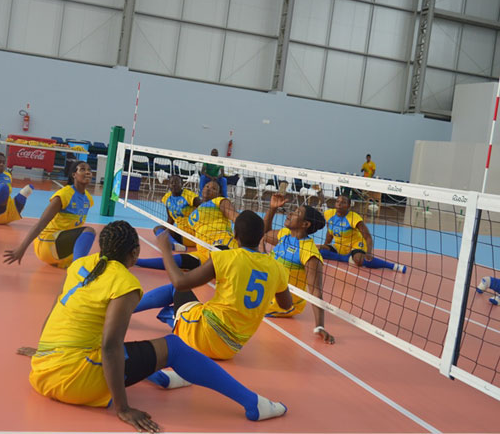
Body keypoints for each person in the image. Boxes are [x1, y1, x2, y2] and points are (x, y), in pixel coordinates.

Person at [17, 220, 287, 433]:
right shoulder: (125, 284)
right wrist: (123, 408)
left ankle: (161, 376)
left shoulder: (80, 265)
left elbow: (57, 309)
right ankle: (254, 404)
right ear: (134, 253)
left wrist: (43, 350)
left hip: (43, 371)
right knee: (173, 347)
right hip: (73, 381)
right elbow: (111, 347)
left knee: (112, 340)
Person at [133, 211, 294, 361]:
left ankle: (130, 310)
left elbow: (180, 283)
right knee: (189, 306)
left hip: (204, 335)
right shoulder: (277, 267)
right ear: (260, 237)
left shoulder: (227, 257)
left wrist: (166, 251)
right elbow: (286, 305)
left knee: (175, 290)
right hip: (231, 349)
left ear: (235, 234)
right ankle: (172, 315)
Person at [263, 195, 335, 344]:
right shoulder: (285, 235)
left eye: (296, 213)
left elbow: (316, 291)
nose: (290, 213)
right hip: (271, 291)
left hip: (287, 304)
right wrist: (272, 209)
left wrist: (320, 326)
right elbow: (264, 234)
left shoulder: (310, 253)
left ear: (305, 224)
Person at [4, 161, 95, 268]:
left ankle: (73, 264)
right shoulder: (64, 195)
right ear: (74, 175)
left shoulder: (88, 199)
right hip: (47, 243)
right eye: (83, 169)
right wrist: (22, 248)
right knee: (89, 231)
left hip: (60, 245)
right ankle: (77, 270)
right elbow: (41, 224)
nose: (88, 172)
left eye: (89, 170)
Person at [319, 194, 407, 273]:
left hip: (356, 244)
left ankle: (392, 266)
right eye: (337, 201)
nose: (339, 204)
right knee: (320, 251)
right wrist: (326, 245)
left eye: (343, 202)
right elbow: (330, 232)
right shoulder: (329, 214)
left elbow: (368, 237)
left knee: (358, 260)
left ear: (349, 206)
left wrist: (369, 253)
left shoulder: (354, 217)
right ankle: (346, 258)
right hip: (340, 245)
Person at [136, 174, 201, 271]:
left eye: (177, 182)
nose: (174, 185)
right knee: (158, 229)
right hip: (180, 232)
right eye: (172, 183)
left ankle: (173, 243)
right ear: (169, 185)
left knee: (162, 232)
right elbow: (170, 220)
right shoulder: (167, 198)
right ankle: (174, 244)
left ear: (182, 184)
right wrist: (165, 232)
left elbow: (205, 210)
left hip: (193, 235)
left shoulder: (190, 197)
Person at [188, 180, 240, 265]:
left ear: (218, 194)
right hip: (202, 251)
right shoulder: (195, 210)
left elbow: (236, 217)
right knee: (172, 262)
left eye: (213, 189)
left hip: (222, 244)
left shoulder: (219, 201)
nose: (208, 189)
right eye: (207, 186)